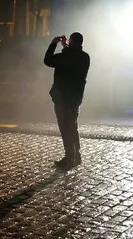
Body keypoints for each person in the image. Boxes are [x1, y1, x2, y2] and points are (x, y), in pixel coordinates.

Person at [44, 32, 90, 169]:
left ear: (72, 41)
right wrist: (66, 47)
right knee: (73, 127)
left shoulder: (65, 56)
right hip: (76, 98)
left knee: (65, 128)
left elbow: (48, 60)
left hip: (62, 99)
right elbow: (72, 57)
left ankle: (69, 157)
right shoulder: (85, 57)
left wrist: (54, 43)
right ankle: (77, 155)